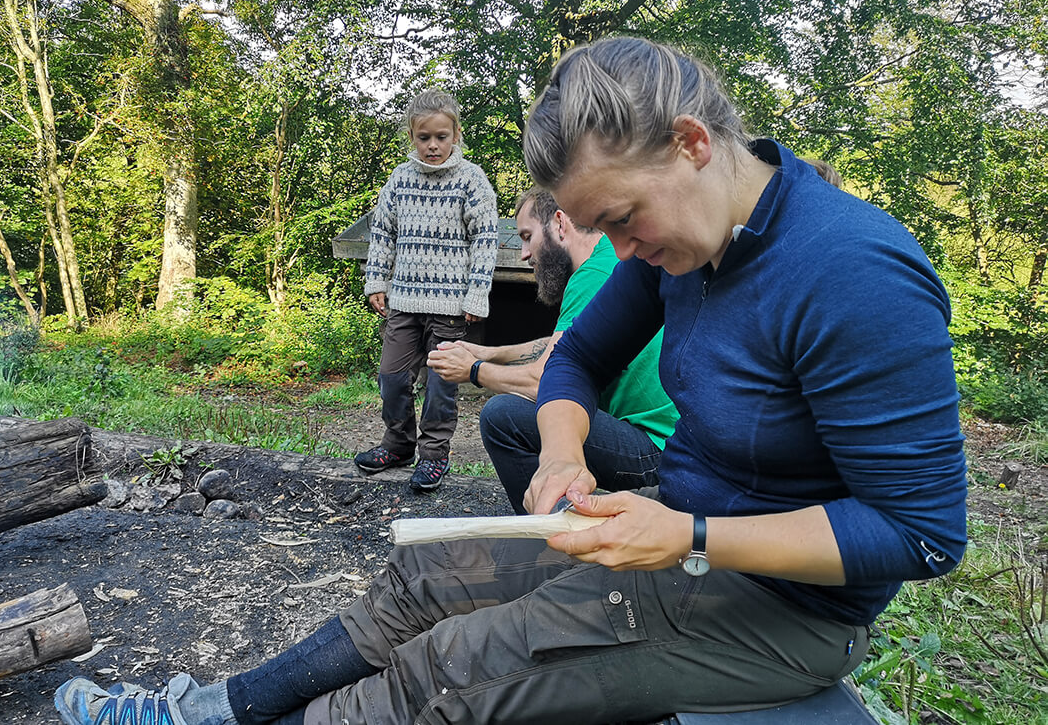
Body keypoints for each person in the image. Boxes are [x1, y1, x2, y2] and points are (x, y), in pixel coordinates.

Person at [54, 37, 968, 725]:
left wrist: (689, 532)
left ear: (690, 143)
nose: (618, 249)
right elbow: (576, 358)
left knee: (453, 665)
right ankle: (203, 711)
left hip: (788, 612)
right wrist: (564, 451)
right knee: (425, 577)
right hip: (685, 539)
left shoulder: (853, 274)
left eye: (620, 218)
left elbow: (922, 536)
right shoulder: (682, 240)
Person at [427, 187, 678, 513]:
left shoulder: (592, 276)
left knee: (502, 417)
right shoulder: (607, 260)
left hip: (656, 455)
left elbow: (546, 382)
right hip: (676, 444)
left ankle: (545, 540)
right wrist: (488, 353)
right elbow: (567, 349)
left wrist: (473, 372)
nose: (524, 253)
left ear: (560, 224)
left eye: (527, 236)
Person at [352, 88, 498, 491]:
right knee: (393, 377)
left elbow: (485, 239)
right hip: (403, 299)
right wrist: (376, 280)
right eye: (424, 138)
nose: (433, 146)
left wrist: (475, 294)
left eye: (441, 137)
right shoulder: (400, 179)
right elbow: (383, 232)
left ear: (456, 135)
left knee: (440, 386)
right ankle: (398, 445)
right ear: (412, 137)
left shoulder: (472, 180)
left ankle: (434, 456)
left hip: (450, 304)